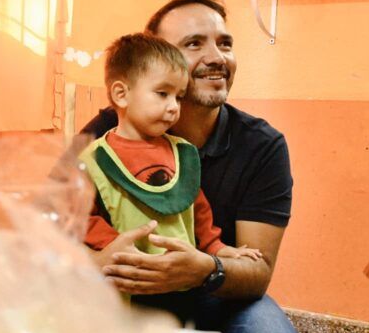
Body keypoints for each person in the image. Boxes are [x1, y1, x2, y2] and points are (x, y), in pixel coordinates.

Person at [80, 0, 305, 333]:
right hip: (124, 290)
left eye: (225, 43)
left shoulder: (262, 146)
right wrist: (101, 262)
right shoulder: (108, 135)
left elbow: (257, 272)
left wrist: (205, 268)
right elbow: (52, 226)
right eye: (193, 43)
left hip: (212, 293)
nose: (216, 57)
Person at [80, 33, 262, 268]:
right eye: (162, 94)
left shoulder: (182, 152)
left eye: (179, 97)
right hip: (128, 276)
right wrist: (113, 246)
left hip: (182, 277)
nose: (174, 107)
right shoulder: (92, 159)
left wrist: (216, 247)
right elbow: (80, 216)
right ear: (121, 94)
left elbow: (198, 209)